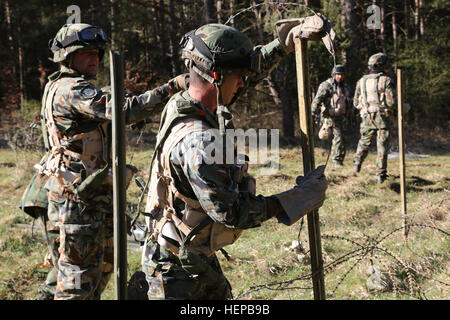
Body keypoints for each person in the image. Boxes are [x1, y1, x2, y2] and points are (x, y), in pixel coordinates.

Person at [141, 18, 331, 300]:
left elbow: (242, 78)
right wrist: (294, 199)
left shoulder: (183, 103)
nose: (243, 83)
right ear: (217, 76)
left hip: (187, 251)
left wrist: (282, 45)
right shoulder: (200, 143)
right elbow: (231, 213)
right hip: (176, 271)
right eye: (238, 75)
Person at [25, 23, 187, 300]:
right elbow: (123, 110)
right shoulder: (72, 89)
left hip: (80, 195)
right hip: (76, 201)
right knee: (77, 282)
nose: (94, 58)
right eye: (86, 53)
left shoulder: (63, 85)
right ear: (67, 57)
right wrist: (171, 88)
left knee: (82, 273)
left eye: (97, 53)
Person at [353, 52, 396, 184]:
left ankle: (357, 165)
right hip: (382, 116)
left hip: (366, 116)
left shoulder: (361, 81)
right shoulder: (386, 80)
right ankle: (380, 175)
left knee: (364, 142)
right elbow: (391, 102)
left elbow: (355, 103)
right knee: (382, 145)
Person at [311, 65, 352, 167]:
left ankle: (339, 160)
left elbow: (348, 101)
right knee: (337, 137)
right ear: (334, 74)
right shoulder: (327, 85)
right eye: (338, 74)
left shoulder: (345, 87)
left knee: (343, 139)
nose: (340, 77)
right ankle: (336, 161)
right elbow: (317, 100)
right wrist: (312, 113)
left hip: (342, 117)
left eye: (342, 75)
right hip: (329, 117)